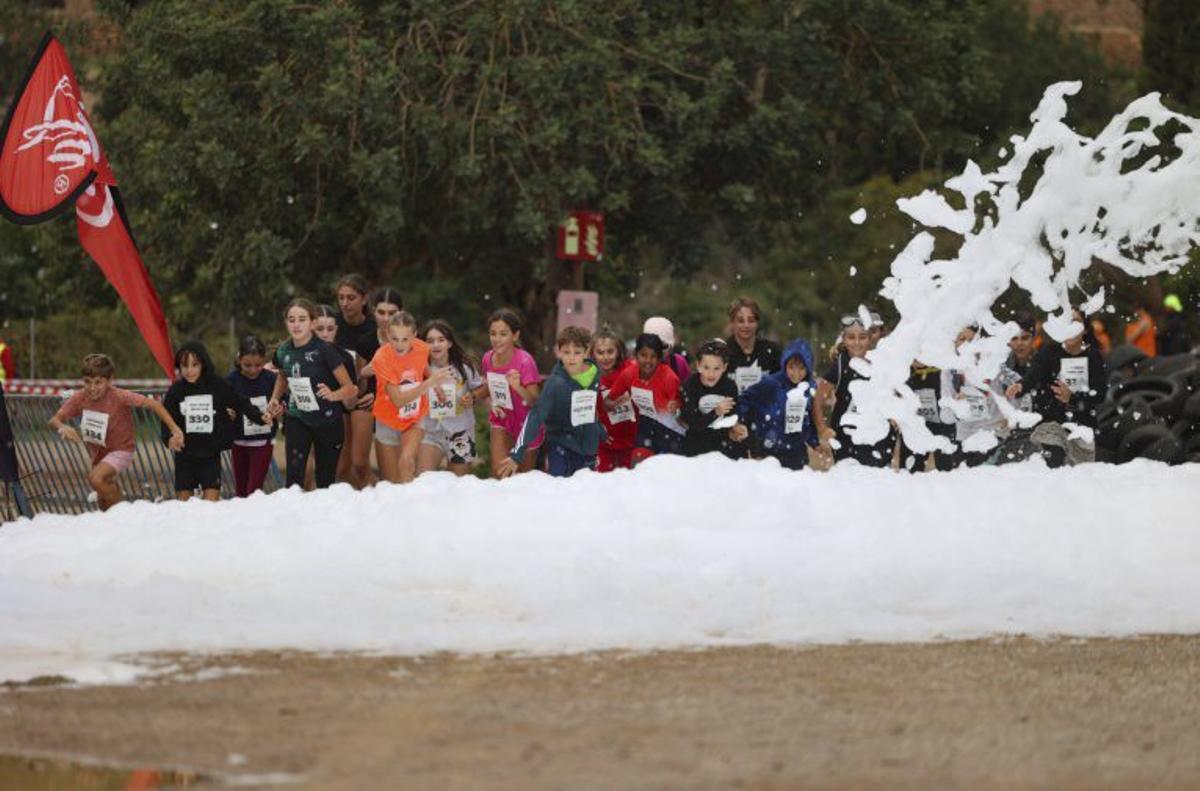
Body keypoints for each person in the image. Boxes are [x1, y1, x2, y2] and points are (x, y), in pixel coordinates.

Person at [48, 353, 184, 511]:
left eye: (98, 382)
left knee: (96, 479)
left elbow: (154, 405)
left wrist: (175, 429)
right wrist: (62, 427)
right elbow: (54, 420)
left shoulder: (119, 396)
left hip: (122, 449)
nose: (92, 388)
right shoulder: (80, 398)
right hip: (98, 455)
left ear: (110, 380)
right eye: (87, 382)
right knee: (104, 503)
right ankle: (115, 525)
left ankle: (126, 515)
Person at [267, 298, 358, 489]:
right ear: (286, 323)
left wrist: (333, 395)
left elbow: (351, 388)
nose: (296, 324)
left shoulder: (325, 350)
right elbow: (283, 375)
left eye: (302, 319)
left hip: (328, 422)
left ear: (312, 322)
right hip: (297, 419)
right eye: (291, 319)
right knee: (294, 480)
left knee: (325, 482)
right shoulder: (283, 351)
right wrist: (275, 398)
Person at [163, 340, 267, 502]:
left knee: (210, 507)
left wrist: (260, 418)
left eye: (194, 365)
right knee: (183, 508)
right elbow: (166, 419)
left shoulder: (217, 385)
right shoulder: (175, 391)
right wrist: (169, 438)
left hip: (210, 456)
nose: (189, 371)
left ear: (203, 364)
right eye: (185, 366)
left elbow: (240, 402)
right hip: (185, 456)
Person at [497, 326, 604, 478]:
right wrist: (517, 453)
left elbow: (595, 407)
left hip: (588, 448)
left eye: (577, 352)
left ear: (586, 352)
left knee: (583, 493)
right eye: (566, 352)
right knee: (558, 487)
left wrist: (600, 430)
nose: (571, 358)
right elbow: (536, 415)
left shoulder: (596, 375)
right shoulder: (555, 384)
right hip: (560, 443)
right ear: (559, 352)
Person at [1007, 307, 1107, 467]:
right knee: (1054, 458)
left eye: (1075, 322)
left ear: (1085, 329)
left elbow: (1100, 394)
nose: (1070, 327)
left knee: (1078, 472)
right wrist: (1020, 386)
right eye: (1066, 322)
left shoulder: (1093, 356)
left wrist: (1073, 398)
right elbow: (1033, 374)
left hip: (1081, 424)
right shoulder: (1049, 351)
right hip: (1051, 422)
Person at [371, 311, 451, 483]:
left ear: (414, 336)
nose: (399, 345)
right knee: (390, 481)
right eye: (394, 339)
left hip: (414, 416)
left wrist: (436, 386)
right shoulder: (382, 357)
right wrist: (429, 384)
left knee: (406, 462)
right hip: (388, 418)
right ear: (387, 335)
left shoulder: (422, 347)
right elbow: (398, 400)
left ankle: (411, 506)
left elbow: (421, 366)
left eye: (405, 339)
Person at [817, 314, 894, 467]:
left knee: (878, 483)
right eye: (851, 337)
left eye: (862, 337)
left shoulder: (881, 361)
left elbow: (895, 392)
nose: (857, 342)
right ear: (844, 340)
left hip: (878, 436)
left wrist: (896, 416)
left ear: (869, 339)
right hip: (846, 438)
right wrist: (822, 428)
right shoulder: (840, 365)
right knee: (850, 484)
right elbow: (818, 399)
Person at [731, 338, 819, 470]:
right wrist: (738, 420)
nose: (796, 373)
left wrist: (814, 442)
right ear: (784, 365)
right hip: (769, 448)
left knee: (795, 485)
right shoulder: (772, 383)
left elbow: (809, 417)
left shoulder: (809, 387)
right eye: (791, 367)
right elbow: (745, 398)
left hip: (796, 451)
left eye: (801, 368)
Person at [476, 309, 543, 477]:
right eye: (493, 334)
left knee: (522, 479)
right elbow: (489, 387)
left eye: (503, 334)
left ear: (515, 335)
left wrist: (517, 386)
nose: (496, 339)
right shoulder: (487, 358)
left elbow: (535, 401)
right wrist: (478, 398)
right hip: (502, 418)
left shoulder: (525, 361)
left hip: (526, 425)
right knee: (501, 474)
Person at [350, 287, 404, 487]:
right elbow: (360, 385)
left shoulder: (410, 342)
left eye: (392, 313)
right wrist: (364, 374)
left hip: (399, 402)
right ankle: (372, 493)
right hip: (369, 402)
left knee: (400, 467)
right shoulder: (365, 341)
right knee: (358, 463)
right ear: (373, 312)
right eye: (381, 312)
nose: (386, 318)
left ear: (401, 313)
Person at [417, 320, 482, 477]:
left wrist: (473, 397)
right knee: (423, 480)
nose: (436, 345)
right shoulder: (419, 370)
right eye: (430, 341)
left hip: (460, 432)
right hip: (430, 432)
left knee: (460, 485)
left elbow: (481, 388)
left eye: (441, 340)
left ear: (450, 343)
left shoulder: (464, 367)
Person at [604, 333, 684, 458]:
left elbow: (684, 410)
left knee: (666, 470)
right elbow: (607, 401)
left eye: (653, 356)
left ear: (659, 358)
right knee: (639, 460)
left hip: (671, 431)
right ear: (636, 355)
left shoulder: (669, 377)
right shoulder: (629, 374)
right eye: (643, 355)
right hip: (646, 426)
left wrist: (677, 408)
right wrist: (613, 405)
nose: (648, 360)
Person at [313, 303, 361, 485]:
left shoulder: (345, 357)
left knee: (340, 470)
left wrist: (349, 393)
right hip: (307, 416)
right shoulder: (298, 354)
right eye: (320, 329)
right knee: (310, 470)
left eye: (330, 329)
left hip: (338, 416)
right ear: (311, 327)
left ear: (336, 329)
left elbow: (350, 404)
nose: (325, 334)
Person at [227, 336, 278, 497]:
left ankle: (254, 519)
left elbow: (283, 401)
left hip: (262, 442)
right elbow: (221, 403)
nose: (253, 370)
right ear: (239, 359)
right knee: (240, 492)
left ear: (264, 361)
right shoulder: (231, 380)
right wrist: (227, 411)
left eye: (258, 365)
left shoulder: (271, 379)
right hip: (238, 442)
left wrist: (279, 409)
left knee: (254, 492)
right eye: (247, 365)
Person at [681, 339, 741, 459]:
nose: (711, 374)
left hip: (722, 449)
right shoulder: (691, 385)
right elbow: (693, 423)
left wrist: (736, 430)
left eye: (716, 368)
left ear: (724, 367)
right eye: (706, 367)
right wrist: (716, 412)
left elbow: (732, 417)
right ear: (698, 365)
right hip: (695, 448)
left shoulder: (729, 386)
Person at [591, 327, 636, 473]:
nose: (605, 357)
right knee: (602, 484)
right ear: (592, 353)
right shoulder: (590, 377)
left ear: (619, 352)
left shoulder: (630, 369)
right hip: (605, 442)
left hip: (631, 440)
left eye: (610, 352)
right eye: (600, 352)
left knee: (629, 485)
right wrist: (596, 428)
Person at [724, 297, 781, 394]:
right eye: (740, 321)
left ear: (757, 323)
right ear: (732, 323)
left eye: (751, 320)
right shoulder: (722, 353)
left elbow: (782, 385)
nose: (746, 325)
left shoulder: (772, 351)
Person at [643, 316, 691, 383]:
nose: (658, 351)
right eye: (653, 346)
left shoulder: (678, 363)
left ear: (671, 346)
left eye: (663, 346)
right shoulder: (635, 367)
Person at [334, 274, 376, 349]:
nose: (345, 304)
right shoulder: (332, 325)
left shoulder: (374, 329)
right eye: (341, 298)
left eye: (351, 298)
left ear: (364, 299)